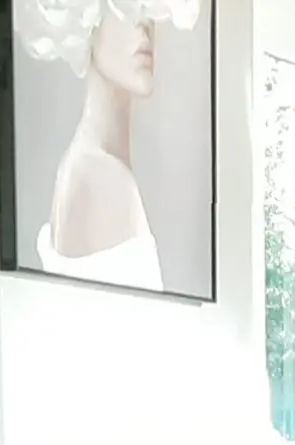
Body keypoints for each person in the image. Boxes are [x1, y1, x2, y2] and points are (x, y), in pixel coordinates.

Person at [14, 0, 203, 292]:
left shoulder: (92, 167)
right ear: (84, 22)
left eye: (148, 10)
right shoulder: (100, 177)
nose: (144, 26)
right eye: (125, 8)